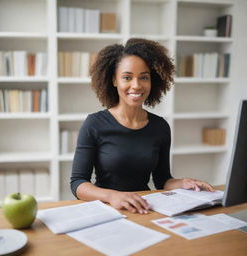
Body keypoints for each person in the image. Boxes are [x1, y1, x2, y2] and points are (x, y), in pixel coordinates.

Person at [70, 38, 214, 215]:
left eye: (144, 77)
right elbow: (77, 183)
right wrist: (113, 196)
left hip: (144, 209)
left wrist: (184, 183)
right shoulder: (94, 124)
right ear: (114, 80)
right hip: (107, 209)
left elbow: (162, 180)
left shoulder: (160, 127)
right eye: (127, 77)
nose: (136, 85)